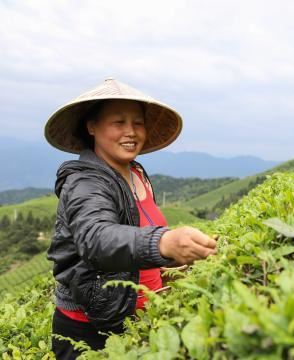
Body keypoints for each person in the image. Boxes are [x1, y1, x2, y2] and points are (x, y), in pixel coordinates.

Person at [44, 78, 218, 359]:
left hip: (142, 320)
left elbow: (141, 233)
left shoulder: (136, 172)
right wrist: (164, 242)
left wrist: (175, 266)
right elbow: (97, 238)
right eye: (118, 122)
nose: (131, 132)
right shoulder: (84, 182)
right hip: (90, 333)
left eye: (137, 123)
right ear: (92, 127)